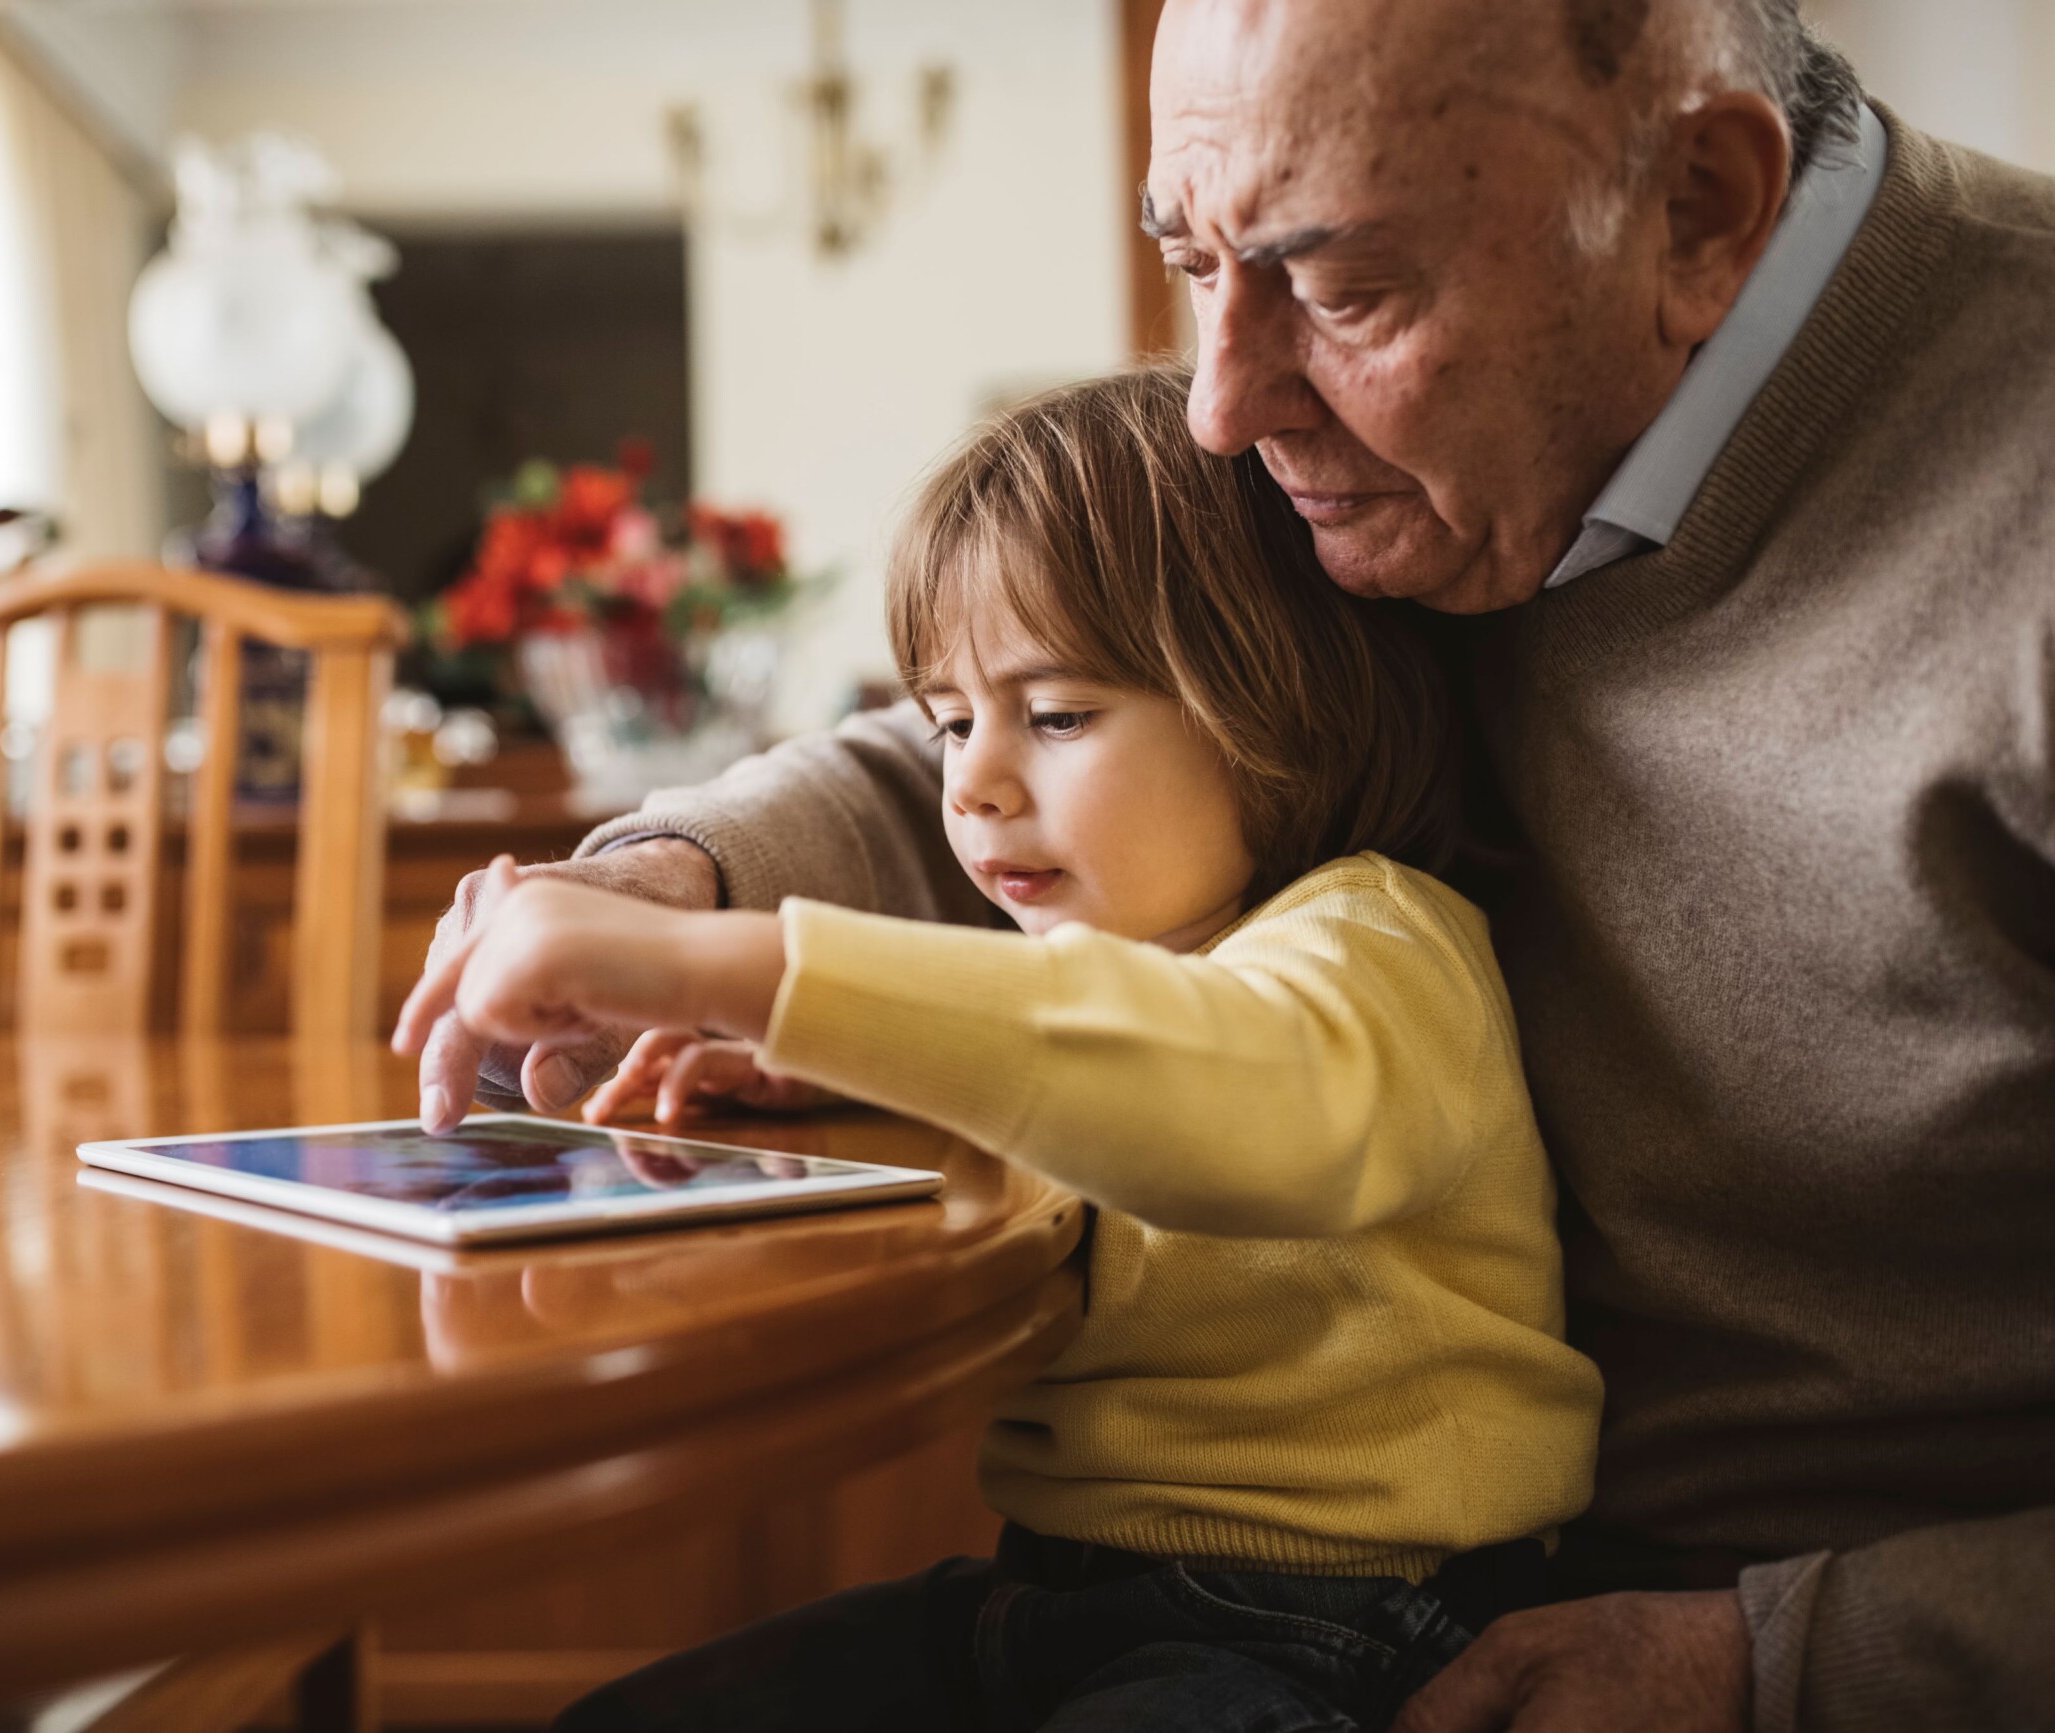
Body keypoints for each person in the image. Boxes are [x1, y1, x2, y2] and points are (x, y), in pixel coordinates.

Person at [411, 2, 2055, 1726]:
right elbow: (1061, 719)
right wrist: (675, 879)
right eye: (1194, 261)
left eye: (1343, 291)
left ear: (1701, 208)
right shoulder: (1428, 439)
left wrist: (1785, 1660)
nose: (1219, 407)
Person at [397, 368, 1606, 1730]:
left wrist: (718, 962)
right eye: (952, 720)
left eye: (1059, 713)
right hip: (1052, 1596)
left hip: (1350, 1625)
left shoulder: (1380, 944)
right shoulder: (1081, 965)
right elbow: (1062, 1042)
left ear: (1278, 693)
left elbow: (1224, 1093)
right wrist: (846, 1051)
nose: (970, 783)